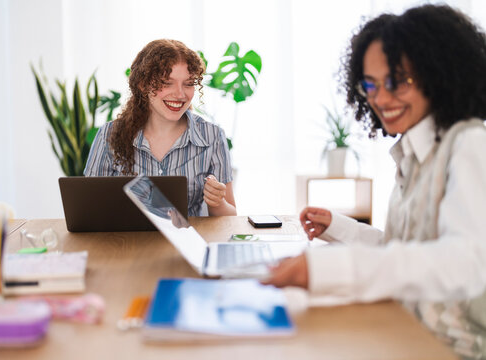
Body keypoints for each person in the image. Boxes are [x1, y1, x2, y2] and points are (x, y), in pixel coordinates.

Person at [263, 5, 486, 359]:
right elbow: (405, 247)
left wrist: (327, 269)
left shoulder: (470, 143)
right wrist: (339, 228)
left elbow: (465, 261)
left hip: (448, 347)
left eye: (397, 81)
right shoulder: (412, 153)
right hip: (403, 328)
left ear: (439, 74)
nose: (380, 98)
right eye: (371, 84)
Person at [84, 39, 236, 216]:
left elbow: (230, 217)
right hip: (127, 242)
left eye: (188, 84)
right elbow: (89, 209)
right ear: (143, 85)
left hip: (186, 241)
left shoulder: (212, 136)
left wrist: (217, 202)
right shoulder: (108, 135)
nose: (180, 94)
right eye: (166, 82)